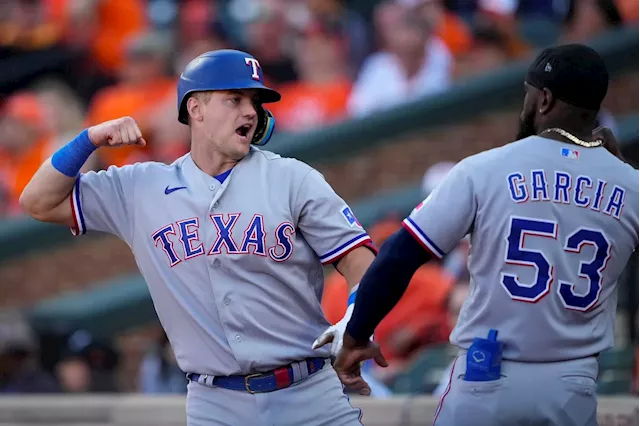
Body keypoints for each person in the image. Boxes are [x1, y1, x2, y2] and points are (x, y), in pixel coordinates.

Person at [19, 49, 376, 426]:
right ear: (196, 108)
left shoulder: (292, 178)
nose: (250, 111)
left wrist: (356, 323)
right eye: (234, 99)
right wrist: (89, 139)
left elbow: (360, 261)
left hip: (308, 394)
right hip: (215, 403)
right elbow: (37, 202)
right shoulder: (141, 187)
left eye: (254, 102)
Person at [331, 44, 640, 425]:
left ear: (543, 99)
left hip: (487, 376)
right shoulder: (632, 186)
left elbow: (399, 256)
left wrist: (356, 336)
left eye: (528, 94)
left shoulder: (485, 169)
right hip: (571, 386)